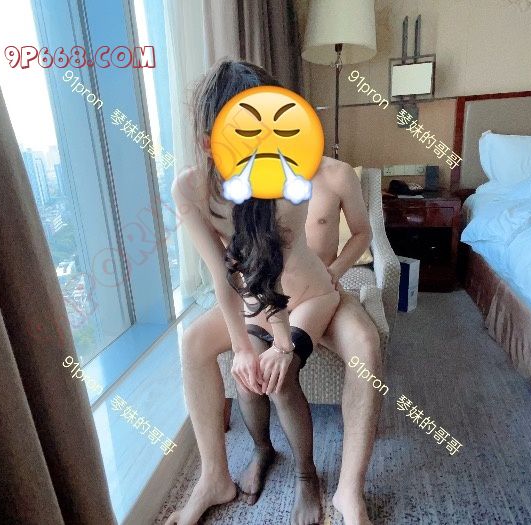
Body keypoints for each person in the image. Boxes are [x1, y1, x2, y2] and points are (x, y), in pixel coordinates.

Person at [166, 61, 341, 525]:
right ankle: (221, 472)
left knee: (278, 376)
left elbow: (271, 276)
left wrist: (279, 345)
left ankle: (307, 475)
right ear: (210, 142)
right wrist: (242, 346)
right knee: (201, 347)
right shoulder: (190, 188)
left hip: (306, 296)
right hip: (254, 299)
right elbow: (223, 274)